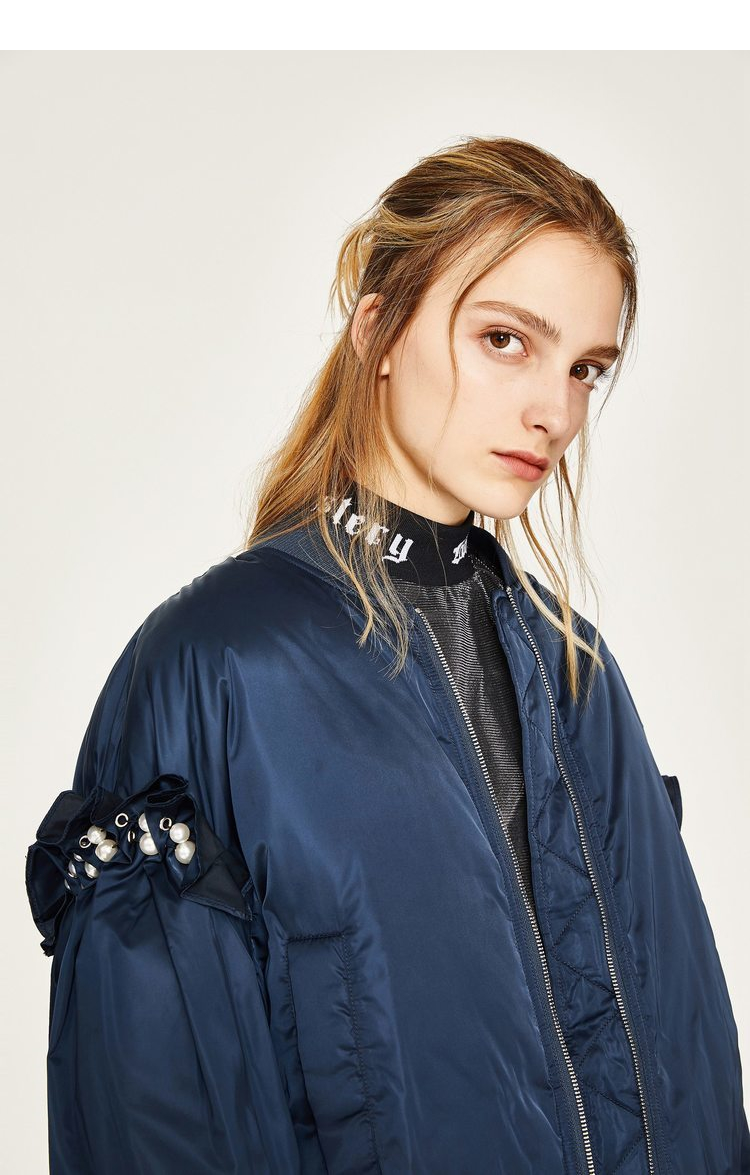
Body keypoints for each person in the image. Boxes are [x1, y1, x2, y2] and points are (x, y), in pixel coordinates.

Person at [26, 135, 749, 1175]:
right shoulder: (218, 665)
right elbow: (157, 1115)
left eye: (585, 368)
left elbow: (691, 1073)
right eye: (506, 339)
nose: (555, 411)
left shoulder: (576, 672)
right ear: (379, 328)